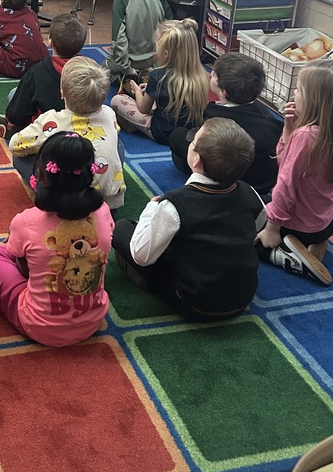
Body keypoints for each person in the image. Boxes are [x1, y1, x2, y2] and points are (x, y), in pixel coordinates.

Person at [0, 131, 113, 346]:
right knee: (20, 250)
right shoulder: (103, 211)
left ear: (42, 176)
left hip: (39, 326)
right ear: (89, 174)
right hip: (92, 321)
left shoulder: (27, 221)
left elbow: (24, 272)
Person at [112, 118, 266, 321]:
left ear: (196, 160)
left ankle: (151, 283)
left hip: (194, 303)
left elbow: (141, 256)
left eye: (193, 141)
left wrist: (151, 209)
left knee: (121, 228)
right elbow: (259, 225)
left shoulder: (176, 203)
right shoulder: (250, 192)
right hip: (243, 296)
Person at [255, 58, 333, 287]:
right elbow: (287, 166)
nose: (295, 93)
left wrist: (272, 228)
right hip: (323, 224)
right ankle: (317, 244)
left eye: (299, 89)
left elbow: (284, 185)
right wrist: (288, 131)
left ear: (315, 101)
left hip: (293, 226)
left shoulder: (306, 137)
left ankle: (287, 256)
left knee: (239, 222)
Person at [8, 56, 125, 211]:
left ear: (62, 93)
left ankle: (50, 195)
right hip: (108, 202)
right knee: (117, 144)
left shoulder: (51, 120)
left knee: (20, 156)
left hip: (66, 202)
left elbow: (15, 145)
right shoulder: (109, 113)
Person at [168, 52, 282, 195]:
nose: (210, 75)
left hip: (229, 179)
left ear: (223, 92)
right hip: (263, 185)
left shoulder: (213, 116)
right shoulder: (271, 119)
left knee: (177, 136)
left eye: (214, 75)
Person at [110, 19, 207, 143]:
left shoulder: (158, 75)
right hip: (189, 131)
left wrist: (137, 91)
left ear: (165, 54)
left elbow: (143, 109)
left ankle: (134, 126)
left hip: (162, 132)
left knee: (117, 100)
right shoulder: (201, 75)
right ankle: (134, 125)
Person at [0, 12, 87, 138]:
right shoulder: (90, 69)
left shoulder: (38, 71)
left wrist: (12, 120)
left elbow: (17, 111)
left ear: (50, 42)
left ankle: (18, 130)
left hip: (48, 127)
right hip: (81, 126)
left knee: (14, 93)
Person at [102, 0, 172, 82]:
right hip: (154, 61)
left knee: (102, 69)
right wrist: (157, 65)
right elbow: (169, 36)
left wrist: (127, 69)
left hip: (130, 62)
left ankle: (128, 78)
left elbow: (118, 40)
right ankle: (149, 74)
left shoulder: (121, 1)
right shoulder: (161, 0)